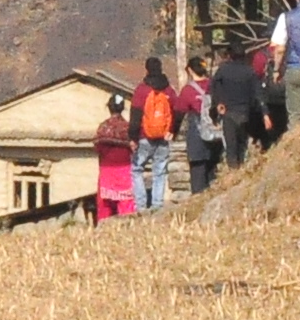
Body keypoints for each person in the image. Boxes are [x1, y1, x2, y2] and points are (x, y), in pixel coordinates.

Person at [207, 36, 271, 171]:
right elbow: (258, 94)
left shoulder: (223, 70)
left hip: (228, 113)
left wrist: (215, 110)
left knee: (231, 147)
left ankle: (233, 172)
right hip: (246, 114)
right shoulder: (250, 71)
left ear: (229, 55)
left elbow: (213, 90)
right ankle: (241, 171)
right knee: (242, 146)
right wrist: (265, 114)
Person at [130, 57, 182, 213]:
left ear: (146, 69)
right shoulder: (168, 90)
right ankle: (157, 205)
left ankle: (141, 206)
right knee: (159, 171)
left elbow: (135, 115)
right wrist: (172, 131)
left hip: (144, 136)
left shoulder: (142, 90)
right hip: (163, 137)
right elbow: (178, 110)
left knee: (136, 169)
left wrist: (132, 137)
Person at [92, 94, 137, 222]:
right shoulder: (128, 128)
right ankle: (127, 227)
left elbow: (97, 148)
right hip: (125, 170)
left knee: (105, 206)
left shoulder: (103, 128)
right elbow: (134, 147)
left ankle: (104, 229)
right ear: (123, 108)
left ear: (109, 108)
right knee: (126, 204)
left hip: (107, 170)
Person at [180, 63, 222, 195]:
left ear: (191, 71)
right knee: (213, 174)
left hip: (197, 137)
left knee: (198, 177)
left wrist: (172, 131)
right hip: (216, 135)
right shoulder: (215, 85)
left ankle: (197, 205)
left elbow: (179, 111)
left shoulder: (188, 90)